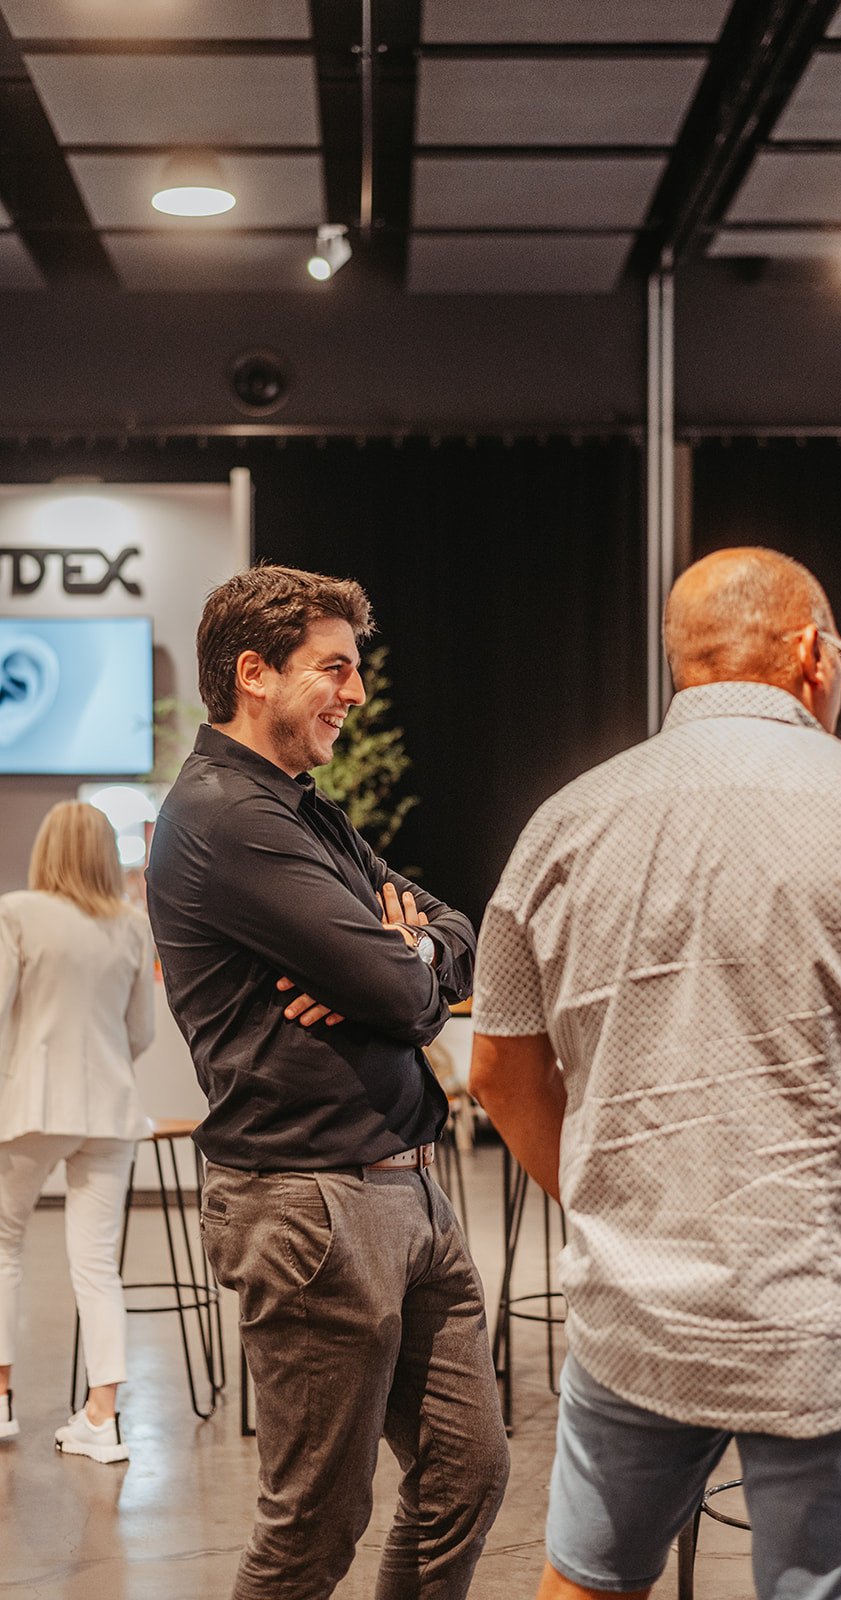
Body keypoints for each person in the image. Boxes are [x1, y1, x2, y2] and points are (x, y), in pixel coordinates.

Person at [469, 546, 841, 1600]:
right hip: (829, 1314)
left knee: (586, 1582)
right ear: (811, 654)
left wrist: (598, 1199)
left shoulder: (562, 822)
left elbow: (498, 1071)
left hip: (633, 1305)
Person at [145, 563, 508, 1600]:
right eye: (334, 668)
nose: (355, 691)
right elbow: (401, 993)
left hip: (406, 1189)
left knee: (466, 1474)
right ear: (253, 673)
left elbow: (454, 932)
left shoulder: (303, 812)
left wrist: (406, 954)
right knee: (314, 1523)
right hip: (309, 1203)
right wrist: (396, 970)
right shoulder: (228, 818)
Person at [0, 800, 155, 1464]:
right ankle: (102, 1419)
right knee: (96, 1264)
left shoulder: (17, 912)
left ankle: (0, 1402)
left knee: (2, 1247)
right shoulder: (132, 925)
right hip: (111, 1109)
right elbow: (141, 1032)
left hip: (33, 1105)